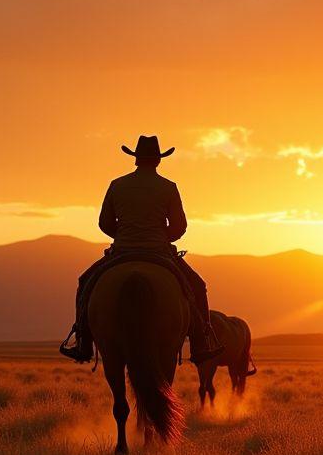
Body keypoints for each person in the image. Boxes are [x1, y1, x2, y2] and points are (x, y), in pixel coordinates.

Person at [59, 135, 225, 365]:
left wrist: (125, 235)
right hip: (159, 251)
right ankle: (201, 344)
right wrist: (161, 237)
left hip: (122, 251)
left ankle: (83, 343)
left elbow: (104, 223)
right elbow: (179, 226)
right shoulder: (168, 187)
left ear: (136, 159)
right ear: (158, 161)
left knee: (84, 283)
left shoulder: (117, 185)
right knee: (198, 286)